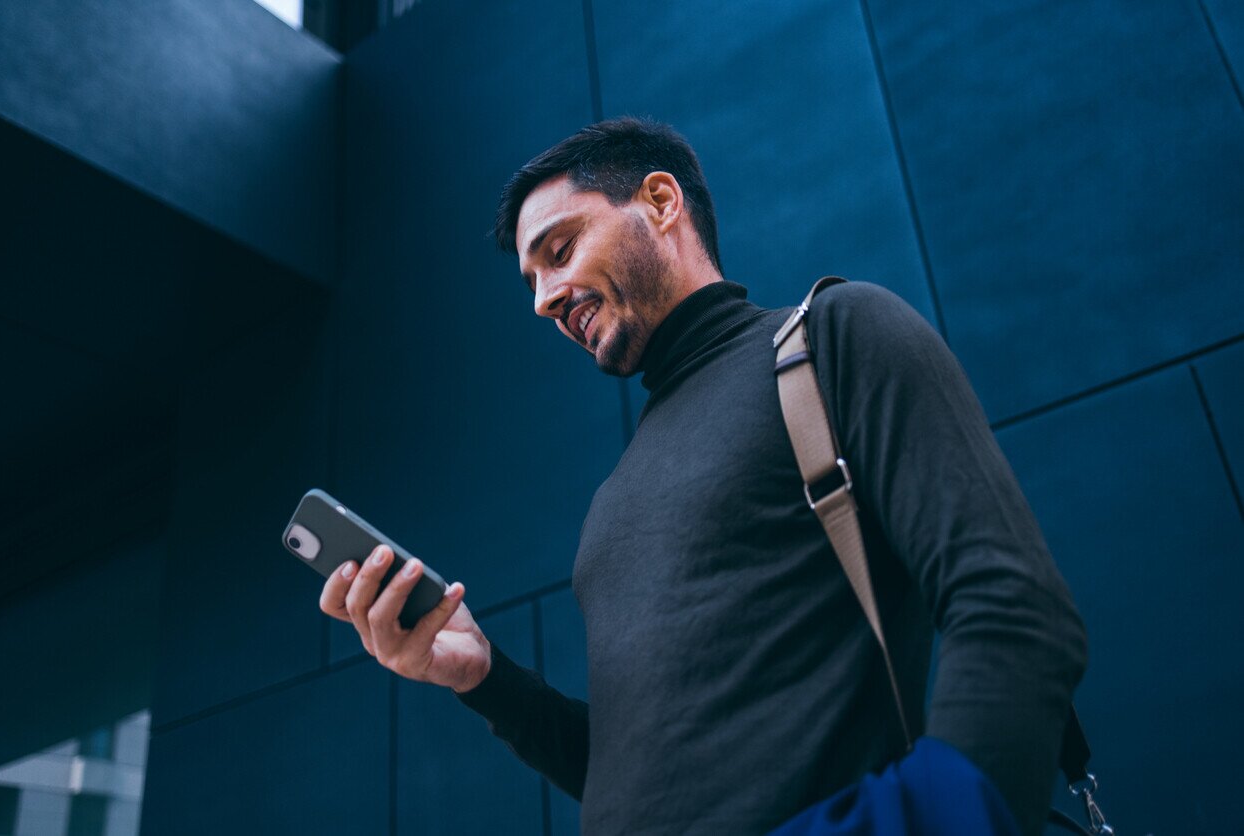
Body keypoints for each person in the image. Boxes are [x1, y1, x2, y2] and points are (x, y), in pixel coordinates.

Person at [318, 117, 1088, 836]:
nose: (544, 300)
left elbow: (1014, 608)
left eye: (558, 251)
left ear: (659, 202)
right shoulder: (611, 500)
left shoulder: (836, 338)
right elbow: (647, 782)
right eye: (529, 283)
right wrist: (484, 680)